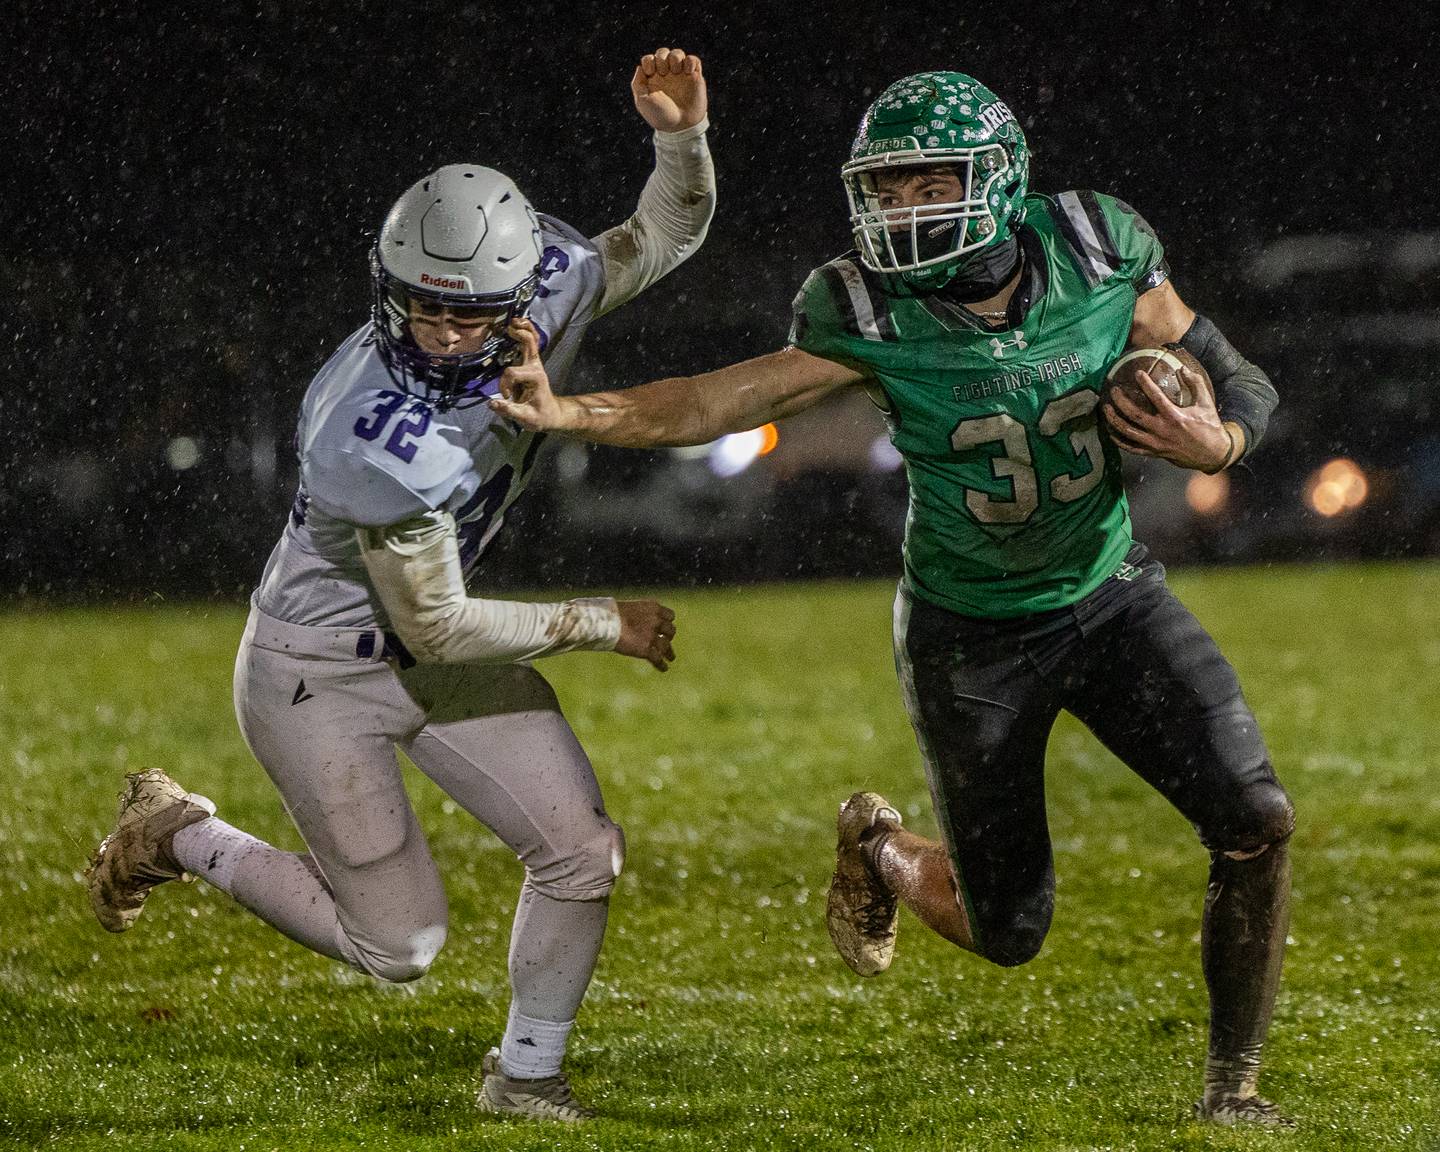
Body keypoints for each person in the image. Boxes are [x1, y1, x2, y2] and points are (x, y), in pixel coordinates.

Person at [487, 72, 1293, 1127]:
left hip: (1109, 594)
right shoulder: (862, 306)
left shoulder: (1099, 245)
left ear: (999, 181)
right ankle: (878, 847)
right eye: (891, 188)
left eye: (930, 184)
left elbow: (1243, 381)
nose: (907, 210)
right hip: (971, 638)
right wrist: (572, 410)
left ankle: (1233, 1095)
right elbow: (720, 397)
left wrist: (1217, 441)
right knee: (1007, 930)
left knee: (1255, 820)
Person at [86, 47, 714, 1123]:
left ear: (522, 294)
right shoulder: (368, 432)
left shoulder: (551, 280)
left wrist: (681, 138)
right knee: (401, 947)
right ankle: (180, 832)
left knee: (581, 851)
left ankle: (525, 1079)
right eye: (425, 309)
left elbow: (664, 231)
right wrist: (603, 622)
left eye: (471, 314)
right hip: (318, 671)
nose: (447, 334)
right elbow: (436, 622)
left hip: (429, 651)